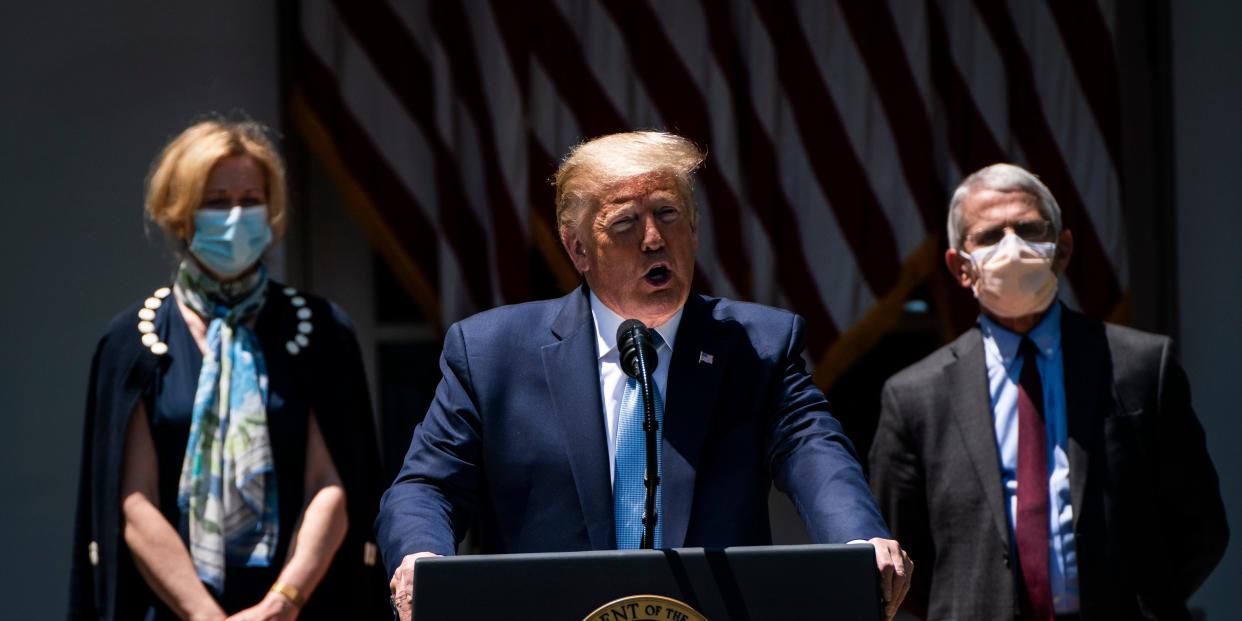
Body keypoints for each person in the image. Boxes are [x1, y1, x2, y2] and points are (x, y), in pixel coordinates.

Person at [377, 131, 912, 621]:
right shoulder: (492, 353)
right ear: (578, 248)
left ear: (695, 228)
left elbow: (813, 451)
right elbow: (426, 486)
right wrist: (422, 559)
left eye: (668, 214)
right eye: (627, 223)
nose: (654, 238)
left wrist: (858, 539)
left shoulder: (757, 345)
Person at [869, 163, 1229, 620]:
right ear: (960, 267)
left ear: (1062, 250)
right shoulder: (915, 396)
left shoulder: (1141, 366)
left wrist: (1146, 604)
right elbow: (899, 553)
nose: (1012, 247)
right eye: (990, 236)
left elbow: (1201, 527)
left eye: (1028, 228)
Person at [69, 119, 388, 620]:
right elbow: (134, 499)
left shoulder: (321, 330)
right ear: (181, 214)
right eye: (217, 202)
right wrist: (206, 616)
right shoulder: (133, 340)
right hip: (173, 609)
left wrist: (280, 605)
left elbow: (331, 484)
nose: (237, 216)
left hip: (298, 606)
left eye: (251, 199)